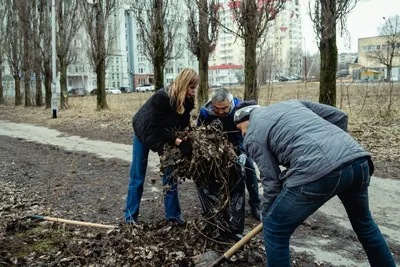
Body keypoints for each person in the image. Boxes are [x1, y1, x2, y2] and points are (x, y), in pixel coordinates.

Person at [233, 100, 396, 267]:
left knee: (274, 229)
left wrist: (267, 216)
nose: (243, 134)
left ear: (246, 118)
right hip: (358, 160)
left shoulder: (253, 134)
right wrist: (334, 150)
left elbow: (271, 182)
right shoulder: (293, 104)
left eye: (241, 129)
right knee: (365, 225)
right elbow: (340, 117)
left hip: (319, 171)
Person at [125, 68, 199, 225]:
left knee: (170, 174)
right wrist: (178, 142)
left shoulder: (188, 101)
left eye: (195, 88)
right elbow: (157, 128)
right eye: (191, 88)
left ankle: (173, 217)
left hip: (165, 135)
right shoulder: (162, 97)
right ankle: (130, 219)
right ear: (184, 84)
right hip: (145, 131)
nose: (193, 92)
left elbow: (182, 126)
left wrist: (187, 141)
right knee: (138, 175)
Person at [197, 87, 261, 221]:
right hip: (217, 146)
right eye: (217, 108)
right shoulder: (205, 112)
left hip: (239, 144)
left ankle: (256, 204)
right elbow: (200, 134)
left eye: (224, 108)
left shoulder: (240, 109)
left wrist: (243, 152)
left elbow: (249, 134)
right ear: (212, 103)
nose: (220, 112)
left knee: (249, 169)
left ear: (231, 102)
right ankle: (218, 204)